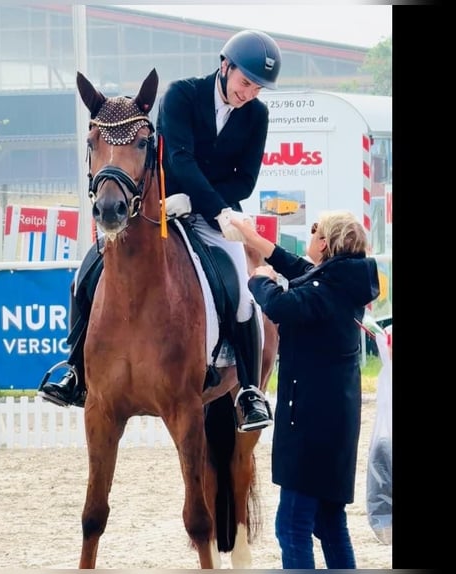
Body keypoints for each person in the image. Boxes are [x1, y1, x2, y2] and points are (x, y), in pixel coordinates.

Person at [39, 29, 282, 433]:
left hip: (216, 216)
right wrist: (184, 199)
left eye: (258, 87)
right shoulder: (182, 95)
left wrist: (215, 209)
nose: (250, 93)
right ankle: (75, 371)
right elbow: (180, 160)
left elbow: (247, 180)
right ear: (225, 67)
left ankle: (249, 390)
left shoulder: (257, 115)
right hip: (161, 207)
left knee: (241, 291)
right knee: (85, 274)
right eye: (245, 82)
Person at [230, 211, 380, 569]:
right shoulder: (341, 280)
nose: (311, 234)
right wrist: (250, 240)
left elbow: (280, 305)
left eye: (314, 230)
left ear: (325, 242)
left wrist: (259, 279)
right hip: (335, 424)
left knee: (292, 527)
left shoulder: (324, 290)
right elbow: (291, 263)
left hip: (312, 425)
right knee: (330, 524)